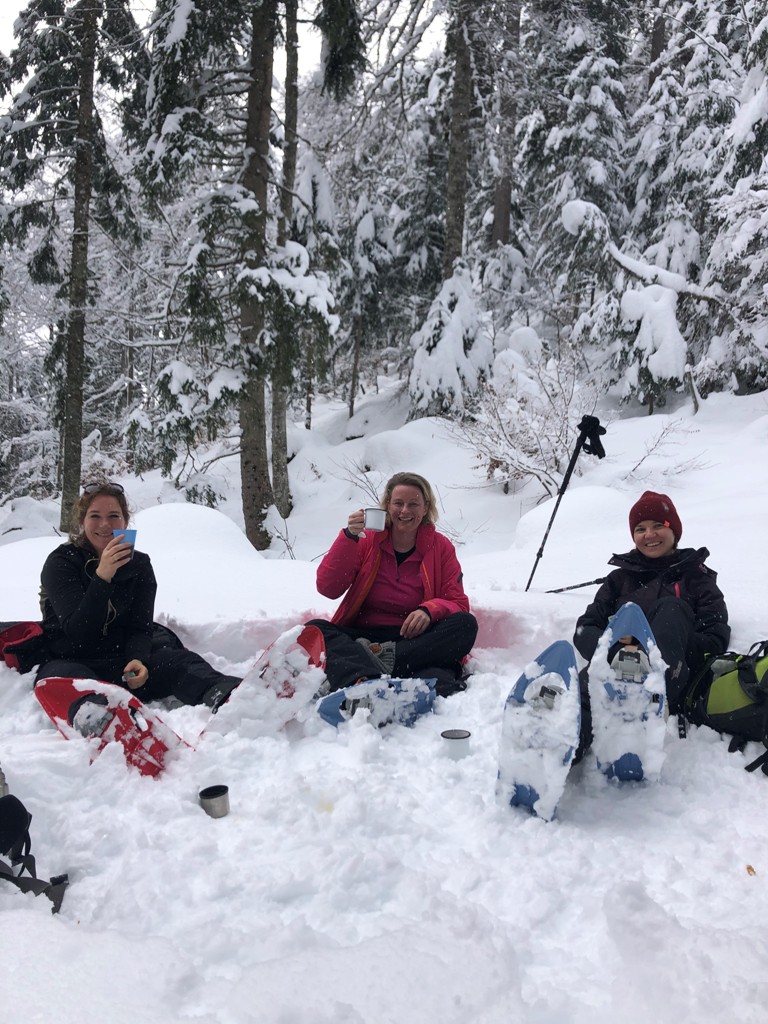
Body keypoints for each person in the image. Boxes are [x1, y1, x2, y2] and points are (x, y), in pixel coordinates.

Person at [36, 481, 241, 710]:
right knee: (67, 683)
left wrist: (138, 659)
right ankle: (100, 718)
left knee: (180, 662)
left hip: (121, 662)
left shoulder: (139, 564)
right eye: (95, 516)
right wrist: (103, 578)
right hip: (70, 660)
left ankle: (235, 697)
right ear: (83, 522)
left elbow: (140, 626)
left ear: (125, 520)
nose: (105, 524)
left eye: (114, 516)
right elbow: (78, 632)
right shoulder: (62, 562)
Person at [573, 490, 730, 753]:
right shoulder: (619, 580)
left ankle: (648, 699)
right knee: (583, 694)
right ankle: (560, 747)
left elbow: (715, 636)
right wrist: (613, 652)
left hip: (671, 679)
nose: (649, 534)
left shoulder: (695, 578)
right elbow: (584, 628)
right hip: (613, 671)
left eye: (659, 525)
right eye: (640, 528)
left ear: (674, 532)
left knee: (671, 609)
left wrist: (672, 644)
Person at [308, 472, 478, 696]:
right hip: (363, 637)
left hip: (412, 639)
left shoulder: (441, 547)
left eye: (413, 504)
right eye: (398, 503)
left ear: (426, 508)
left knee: (465, 624)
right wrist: (349, 537)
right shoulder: (366, 540)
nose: (405, 511)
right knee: (315, 629)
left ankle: (362, 673)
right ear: (388, 505)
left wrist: (429, 610)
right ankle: (394, 673)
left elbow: (457, 602)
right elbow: (328, 588)